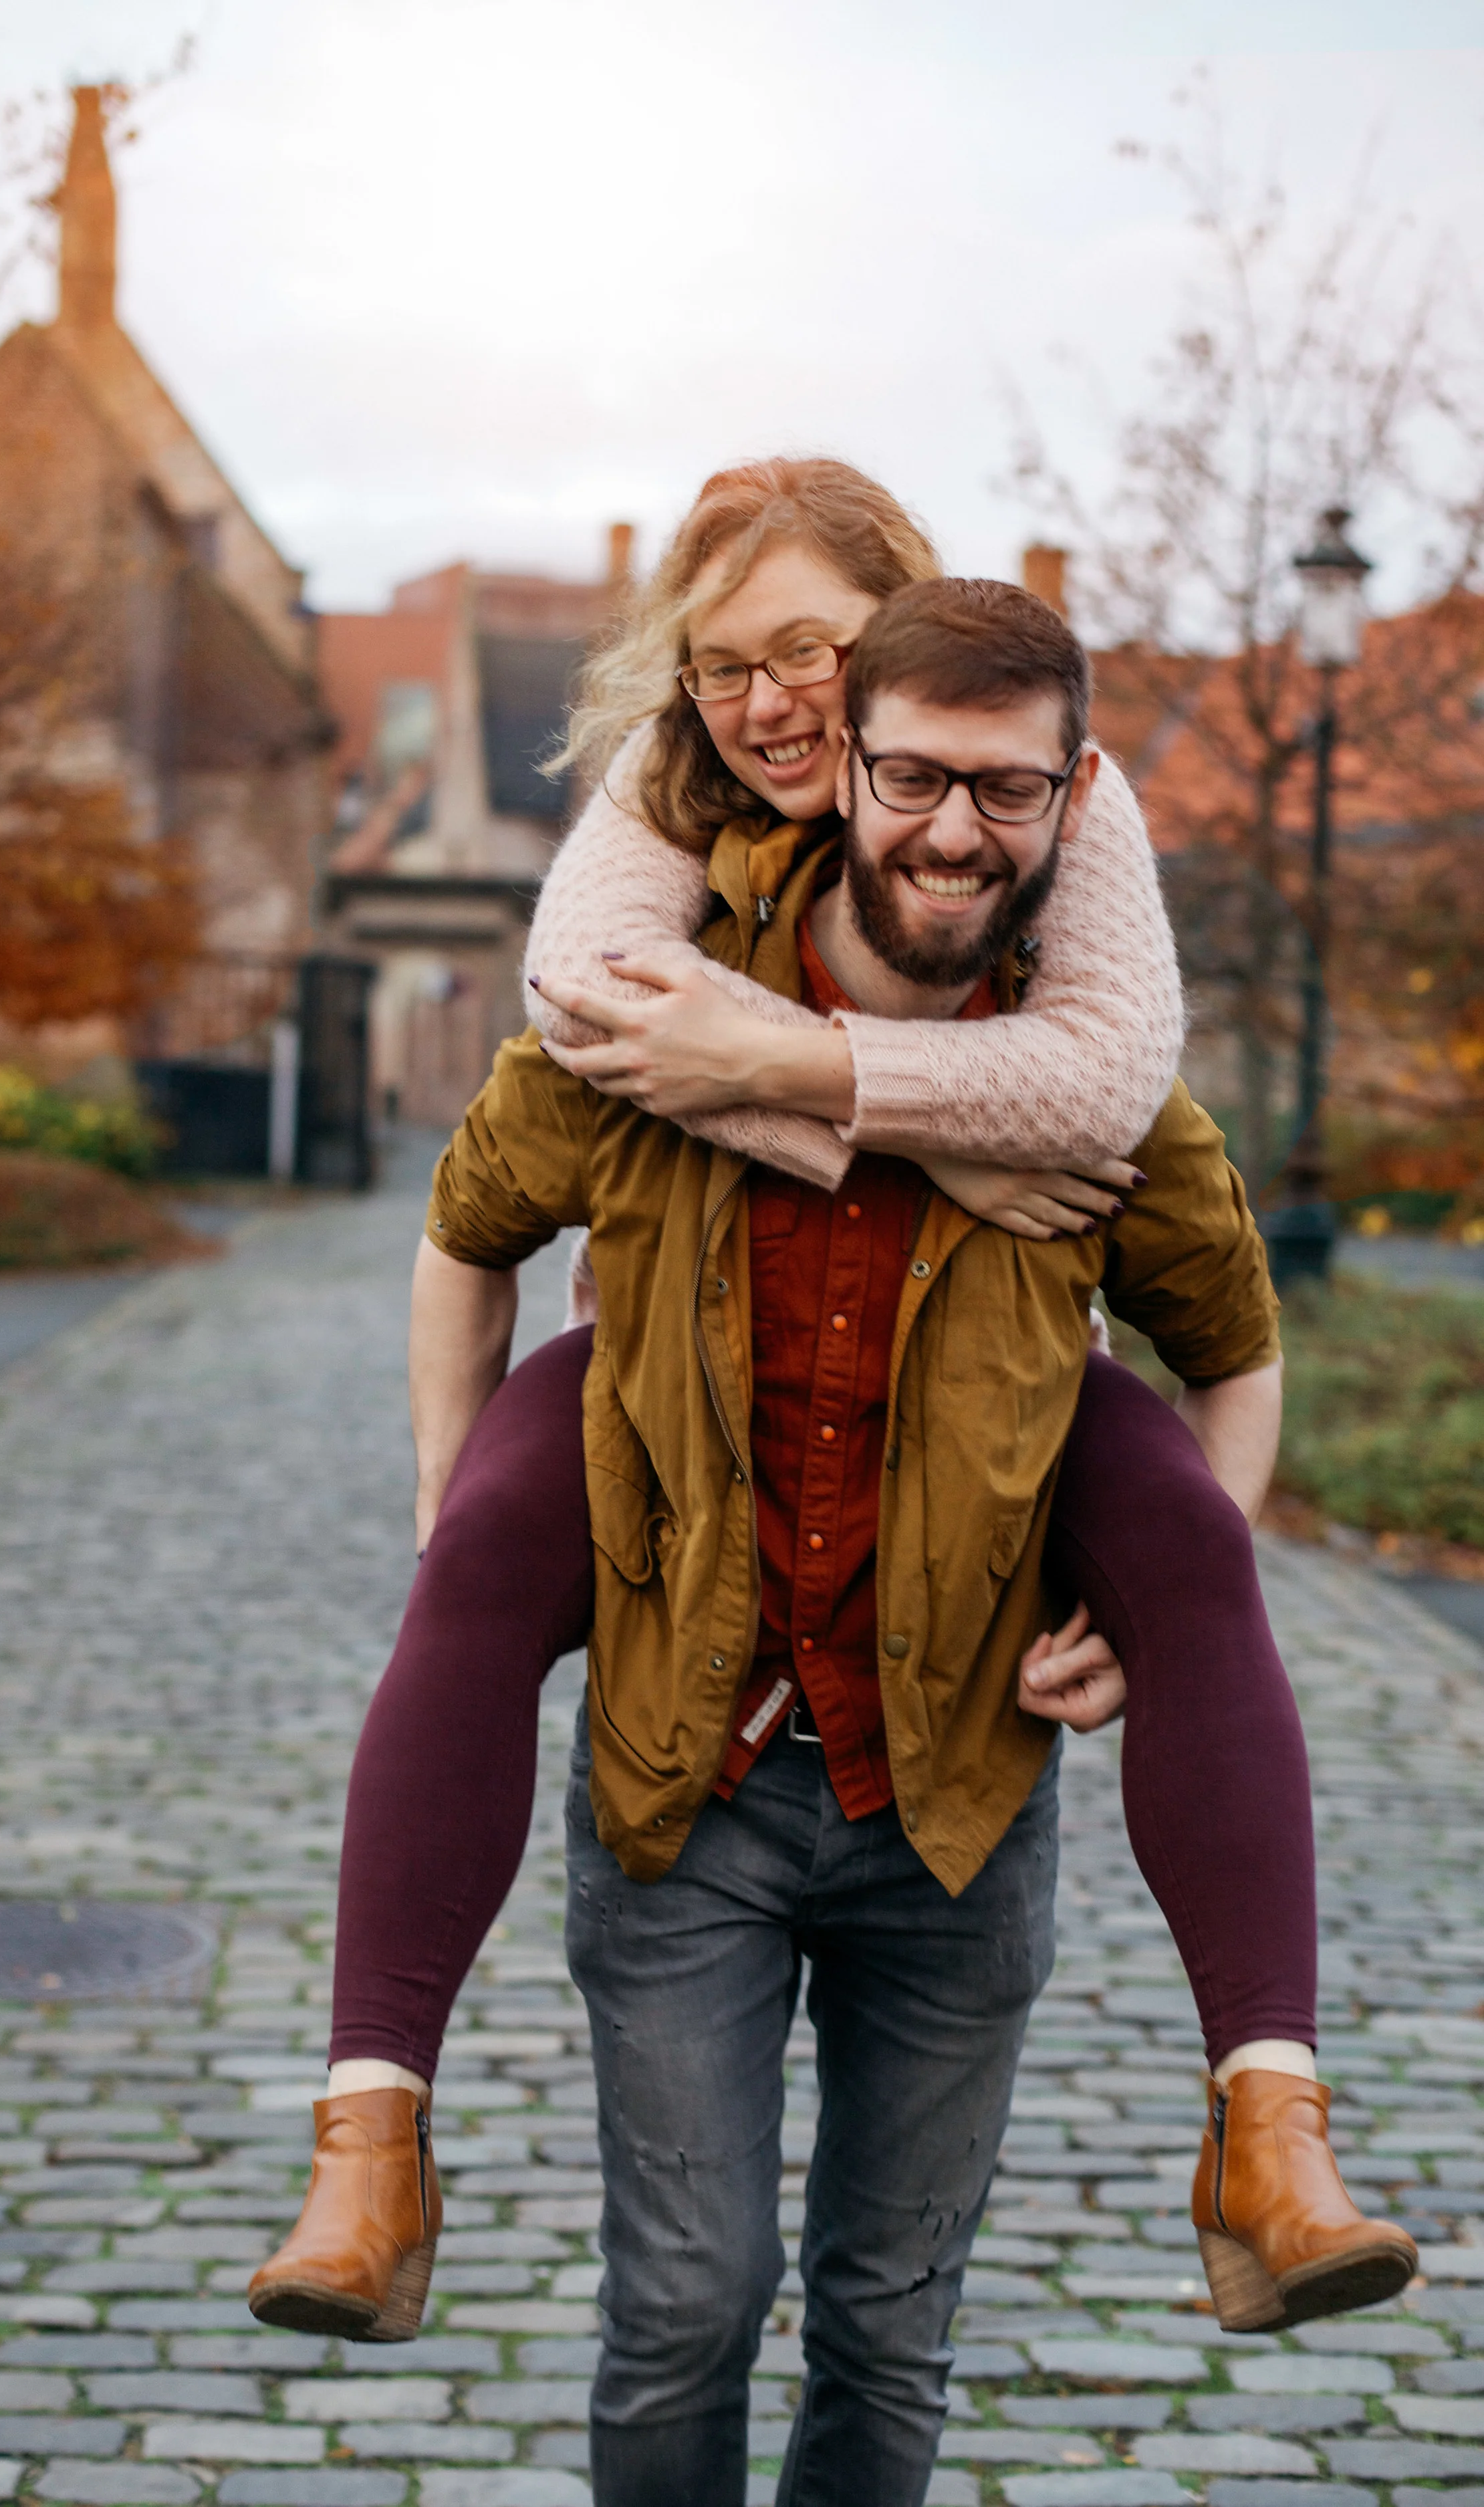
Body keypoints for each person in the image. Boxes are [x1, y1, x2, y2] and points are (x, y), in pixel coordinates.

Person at [249, 469, 1414, 2386]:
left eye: (805, 651)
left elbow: (1137, 1132)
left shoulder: (1049, 843)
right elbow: (534, 1095)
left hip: (963, 1627)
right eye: (724, 666)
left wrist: (871, 1092)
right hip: (680, 1518)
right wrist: (444, 1493)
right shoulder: (666, 832)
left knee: (1196, 1555)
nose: (767, 702)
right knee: (470, 1576)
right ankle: (370, 2139)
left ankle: (1270, 2123)